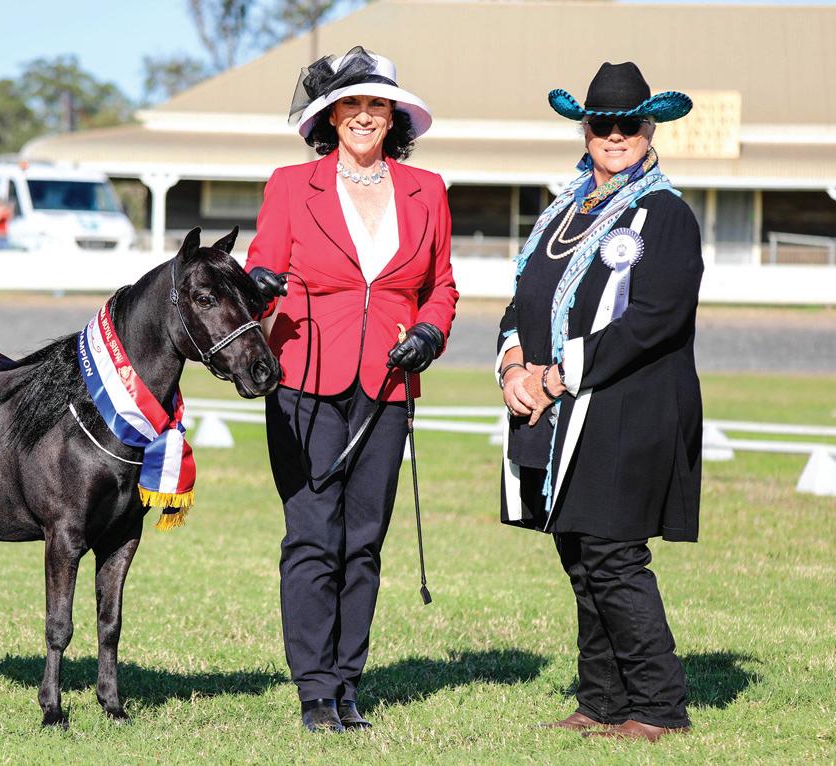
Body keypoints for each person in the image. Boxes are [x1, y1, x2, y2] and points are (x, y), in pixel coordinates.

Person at [245, 46, 458, 734]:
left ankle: (346, 683)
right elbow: (259, 271)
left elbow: (441, 286)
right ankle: (313, 689)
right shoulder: (289, 185)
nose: (364, 116)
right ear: (331, 117)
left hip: (388, 383)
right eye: (351, 105)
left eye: (376, 105)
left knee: (363, 540)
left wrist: (429, 332)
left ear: (393, 117)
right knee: (313, 535)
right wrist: (258, 286)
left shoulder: (427, 189)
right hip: (303, 381)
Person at [496, 62, 703, 742]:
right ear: (585, 131)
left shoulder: (665, 215)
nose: (615, 136)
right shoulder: (562, 210)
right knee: (580, 554)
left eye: (628, 125)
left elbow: (655, 319)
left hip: (628, 406)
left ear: (650, 130)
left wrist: (558, 377)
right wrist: (514, 368)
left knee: (613, 555)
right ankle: (603, 699)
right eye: (601, 125)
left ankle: (658, 705)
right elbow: (524, 299)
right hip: (565, 411)